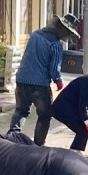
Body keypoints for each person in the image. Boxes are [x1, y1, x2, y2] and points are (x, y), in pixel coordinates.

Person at [9, 14, 80, 146]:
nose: (67, 36)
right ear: (62, 30)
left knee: (21, 111)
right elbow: (54, 68)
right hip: (39, 85)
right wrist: (58, 81)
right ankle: (38, 145)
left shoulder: (35, 35)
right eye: (68, 33)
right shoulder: (55, 44)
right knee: (45, 114)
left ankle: (11, 137)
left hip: (22, 79)